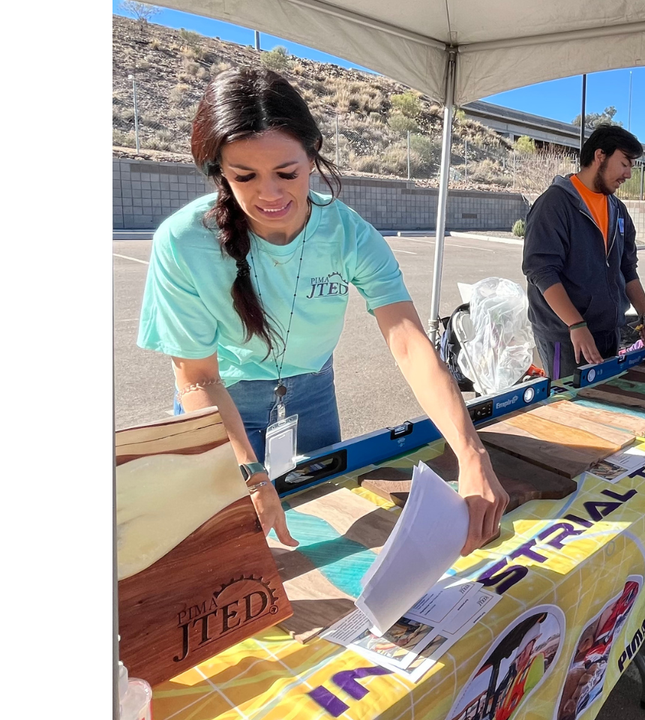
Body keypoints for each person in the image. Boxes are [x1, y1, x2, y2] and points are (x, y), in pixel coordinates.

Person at [136, 67, 507, 555]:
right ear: (218, 172)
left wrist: (471, 453)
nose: (270, 194)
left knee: (319, 529)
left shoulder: (348, 233)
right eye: (244, 176)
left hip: (310, 395)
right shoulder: (183, 242)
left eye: (287, 173)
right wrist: (250, 474)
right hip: (222, 404)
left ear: (313, 158)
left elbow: (411, 345)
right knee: (229, 548)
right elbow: (199, 380)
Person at [521, 125, 645, 381]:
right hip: (564, 335)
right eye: (624, 163)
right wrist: (576, 324)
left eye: (631, 166)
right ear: (600, 156)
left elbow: (627, 269)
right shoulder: (555, 204)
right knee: (568, 408)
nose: (629, 174)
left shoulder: (618, 210)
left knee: (603, 403)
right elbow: (541, 271)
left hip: (607, 332)